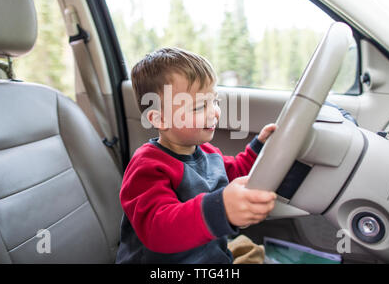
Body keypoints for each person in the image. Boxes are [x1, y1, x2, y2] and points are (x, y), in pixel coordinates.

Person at [116, 47, 277, 264]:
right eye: (200, 107)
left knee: (253, 250)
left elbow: (234, 173)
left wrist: (259, 149)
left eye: (215, 101)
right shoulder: (147, 166)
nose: (214, 112)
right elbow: (159, 228)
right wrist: (220, 209)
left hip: (210, 257)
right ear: (159, 119)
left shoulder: (208, 153)